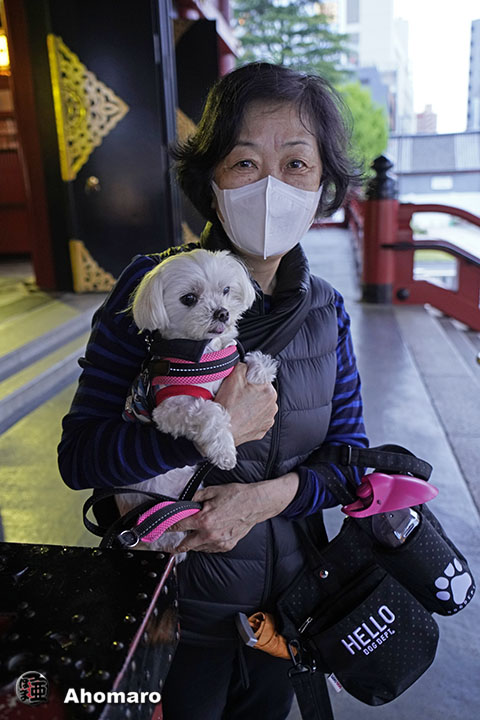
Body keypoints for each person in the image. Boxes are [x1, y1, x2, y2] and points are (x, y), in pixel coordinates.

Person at [58, 62, 368, 719]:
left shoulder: (326, 311)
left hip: (283, 616)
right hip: (172, 611)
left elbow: (349, 463)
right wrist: (201, 431)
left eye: (296, 165)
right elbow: (80, 459)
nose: (270, 187)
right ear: (211, 180)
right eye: (245, 163)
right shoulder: (153, 291)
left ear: (324, 187)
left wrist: (262, 500)